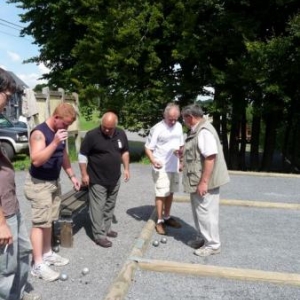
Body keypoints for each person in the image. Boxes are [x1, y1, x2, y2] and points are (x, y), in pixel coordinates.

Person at [24, 103, 81, 281]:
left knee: (49, 220)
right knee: (40, 223)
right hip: (39, 184)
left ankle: (47, 254)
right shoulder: (39, 133)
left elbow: (62, 154)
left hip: (53, 182)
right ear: (56, 118)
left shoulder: (60, 132)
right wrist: (55, 141)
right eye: (65, 124)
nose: (67, 127)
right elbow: (36, 160)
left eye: (69, 125)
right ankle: (38, 264)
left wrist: (72, 175)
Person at [0, 68, 41, 300]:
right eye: (6, 95)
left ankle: (18, 294)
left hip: (11, 206)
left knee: (24, 252)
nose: (7, 104)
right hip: (2, 214)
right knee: (4, 269)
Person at [181, 103, 230, 257]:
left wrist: (204, 182)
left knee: (206, 213)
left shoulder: (204, 131)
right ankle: (203, 238)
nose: (183, 121)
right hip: (198, 179)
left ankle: (213, 245)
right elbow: (198, 152)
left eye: (184, 118)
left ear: (190, 117)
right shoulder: (198, 130)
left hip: (204, 182)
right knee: (200, 212)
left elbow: (210, 157)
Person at [78, 112, 130, 248]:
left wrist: (126, 169)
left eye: (110, 128)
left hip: (114, 177)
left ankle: (107, 228)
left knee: (110, 205)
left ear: (115, 126)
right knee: (98, 207)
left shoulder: (121, 134)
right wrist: (84, 174)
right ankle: (99, 235)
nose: (106, 130)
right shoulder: (92, 135)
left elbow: (124, 151)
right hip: (97, 178)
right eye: (104, 127)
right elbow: (82, 155)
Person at [145, 103, 184, 235]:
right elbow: (148, 148)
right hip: (161, 166)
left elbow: (181, 145)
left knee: (171, 192)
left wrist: (181, 160)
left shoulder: (178, 126)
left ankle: (167, 216)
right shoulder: (157, 128)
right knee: (161, 193)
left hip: (174, 165)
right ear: (164, 115)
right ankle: (159, 221)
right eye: (170, 118)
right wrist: (153, 160)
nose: (173, 121)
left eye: (175, 118)